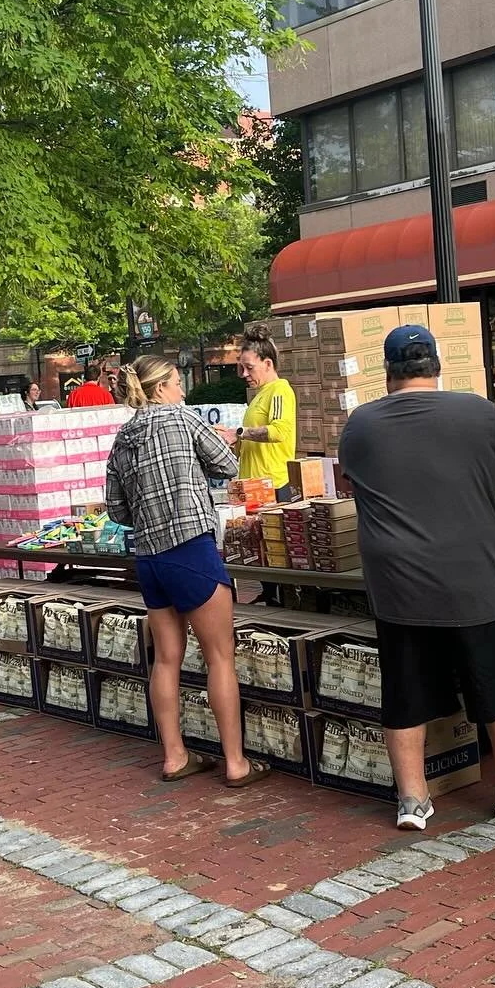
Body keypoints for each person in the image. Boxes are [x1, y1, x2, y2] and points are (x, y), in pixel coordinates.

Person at [337, 324, 495, 832]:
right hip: (472, 575)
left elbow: (351, 481)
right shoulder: (476, 411)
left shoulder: (361, 425)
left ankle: (412, 799)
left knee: (404, 689)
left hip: (397, 582)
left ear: (389, 373)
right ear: (436, 366)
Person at [106, 354, 270, 789]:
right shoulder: (183, 420)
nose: (183, 390)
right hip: (191, 548)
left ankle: (175, 755)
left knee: (165, 658)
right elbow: (228, 466)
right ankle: (236, 762)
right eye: (178, 382)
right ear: (161, 388)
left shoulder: (122, 438)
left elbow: (117, 508)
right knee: (220, 657)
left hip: (150, 557)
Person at [216, 325, 297, 502]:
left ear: (268, 364)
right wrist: (229, 438)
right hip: (254, 487)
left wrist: (239, 432)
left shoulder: (280, 390)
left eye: (249, 367)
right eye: (242, 368)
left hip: (272, 486)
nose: (244, 374)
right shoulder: (260, 396)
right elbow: (247, 443)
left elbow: (279, 431)